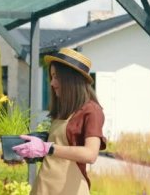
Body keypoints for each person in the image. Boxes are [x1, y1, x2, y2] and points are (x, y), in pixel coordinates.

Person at [13, 48, 107, 195]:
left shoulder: (92, 111)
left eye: (56, 77)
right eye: (51, 77)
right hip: (44, 187)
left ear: (70, 79)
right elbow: (55, 156)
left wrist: (47, 148)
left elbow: (90, 154)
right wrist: (28, 153)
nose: (52, 83)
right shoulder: (63, 110)